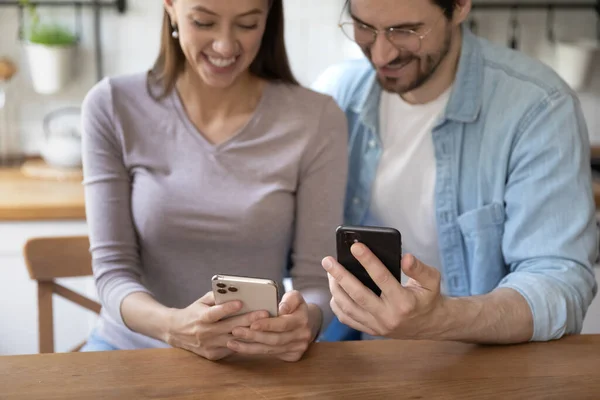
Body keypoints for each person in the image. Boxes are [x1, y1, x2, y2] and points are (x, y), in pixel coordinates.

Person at [314, 0, 598, 344]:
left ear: (460, 6)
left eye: (405, 30)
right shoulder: (337, 95)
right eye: (364, 27)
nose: (381, 55)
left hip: (479, 363)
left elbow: (559, 282)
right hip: (363, 359)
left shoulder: (538, 107)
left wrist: (441, 319)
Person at [80, 0, 348, 362]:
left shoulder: (316, 119)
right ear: (171, 7)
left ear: (268, 17)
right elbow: (112, 273)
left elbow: (317, 281)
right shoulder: (112, 106)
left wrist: (308, 322)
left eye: (247, 24)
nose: (224, 45)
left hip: (255, 360)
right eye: (203, 22)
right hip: (130, 352)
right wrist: (174, 327)